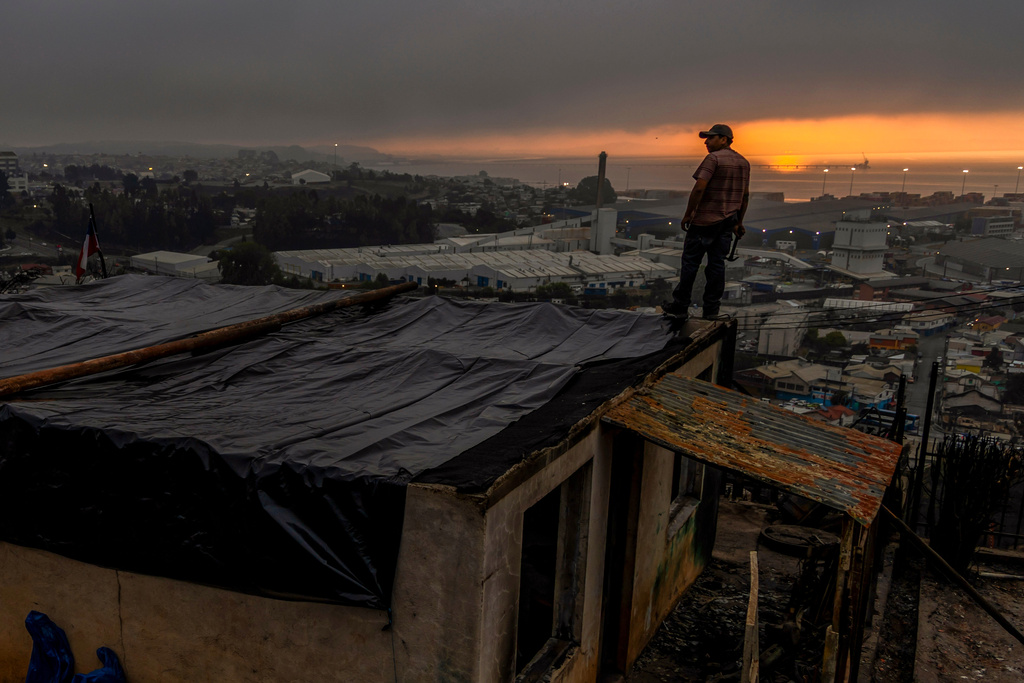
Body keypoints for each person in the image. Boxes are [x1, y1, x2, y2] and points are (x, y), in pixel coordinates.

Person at [664, 123, 750, 321]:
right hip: (728, 222)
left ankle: (680, 305)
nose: (706, 142)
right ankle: (711, 310)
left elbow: (700, 188)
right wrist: (739, 222)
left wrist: (688, 214)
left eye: (711, 138)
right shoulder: (743, 163)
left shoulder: (713, 159)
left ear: (724, 139)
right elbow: (745, 196)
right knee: (716, 266)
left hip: (703, 222)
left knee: (690, 264)